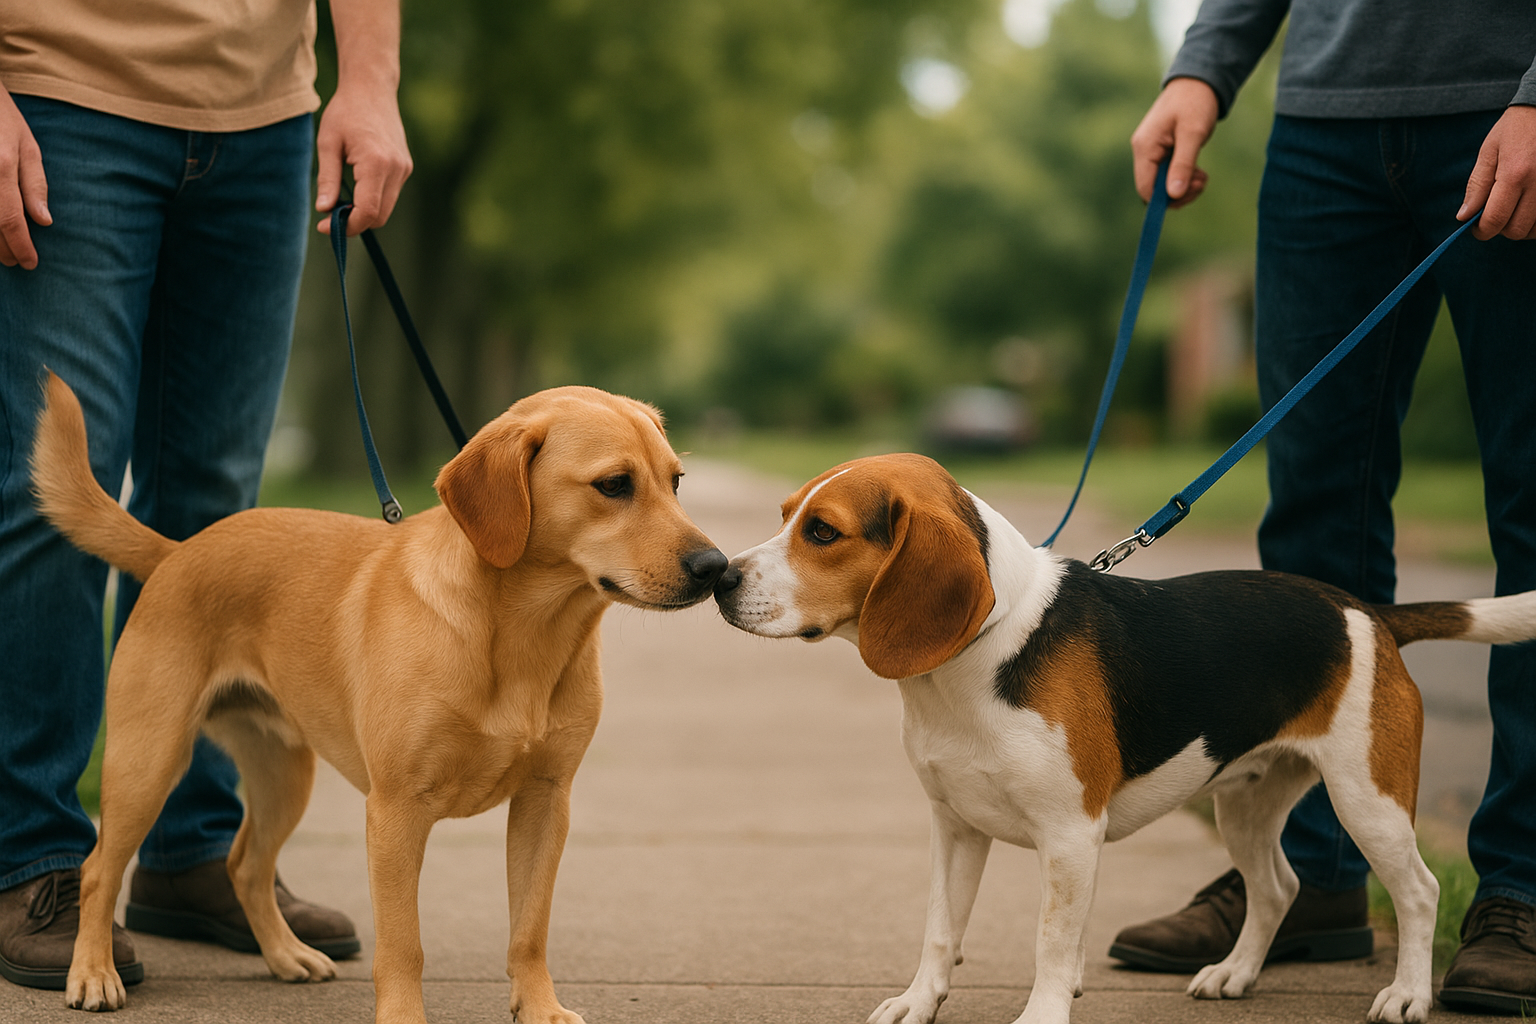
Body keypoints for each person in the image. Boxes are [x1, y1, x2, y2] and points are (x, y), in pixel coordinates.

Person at [1116, 1, 1536, 1014]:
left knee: (1533, 512)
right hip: (1322, 127)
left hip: (1505, 96)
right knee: (1310, 514)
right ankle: (1309, 875)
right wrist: (1204, 67)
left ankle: (1523, 886)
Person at [0, 0, 412, 990]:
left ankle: (193, 853)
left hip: (264, 114)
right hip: (59, 87)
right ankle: (34, 859)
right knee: (55, 493)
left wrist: (370, 82)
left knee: (218, 497)